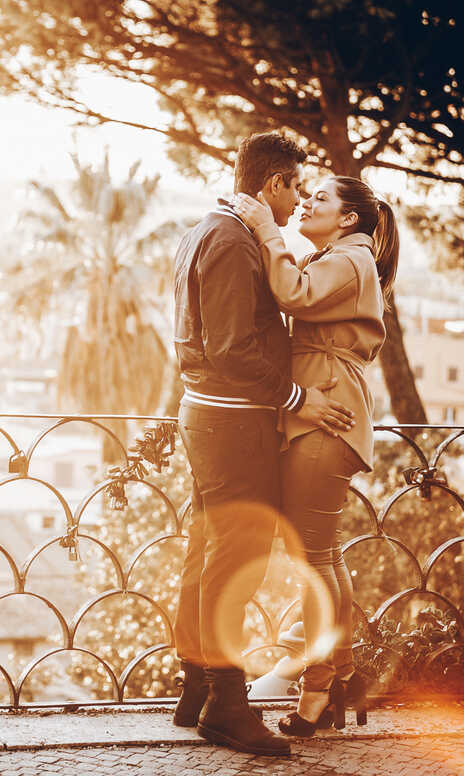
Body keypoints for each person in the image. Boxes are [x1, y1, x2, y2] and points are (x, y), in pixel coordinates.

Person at [171, 132, 356, 757]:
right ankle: (227, 702)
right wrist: (300, 400)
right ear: (273, 184)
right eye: (296, 187)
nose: (298, 199)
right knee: (235, 551)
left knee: (208, 545)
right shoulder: (229, 239)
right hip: (232, 421)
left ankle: (196, 683)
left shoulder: (209, 229)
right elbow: (230, 348)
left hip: (213, 417)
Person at [233, 175, 399, 736]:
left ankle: (319, 688)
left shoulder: (351, 260)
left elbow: (293, 295)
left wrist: (263, 228)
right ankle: (338, 676)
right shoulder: (344, 256)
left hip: (326, 412)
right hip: (321, 405)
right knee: (318, 554)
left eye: (321, 198)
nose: (307, 201)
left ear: (349, 218)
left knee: (313, 558)